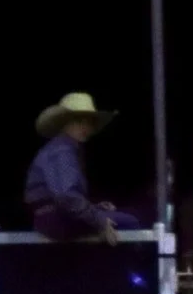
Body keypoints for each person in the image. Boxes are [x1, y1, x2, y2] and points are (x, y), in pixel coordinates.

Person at [26, 93, 147, 242]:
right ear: (64, 123)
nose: (85, 127)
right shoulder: (62, 150)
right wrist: (98, 220)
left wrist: (93, 208)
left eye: (89, 122)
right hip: (55, 219)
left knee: (126, 214)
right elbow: (67, 196)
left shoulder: (64, 149)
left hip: (56, 217)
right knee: (130, 222)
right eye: (78, 121)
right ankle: (127, 265)